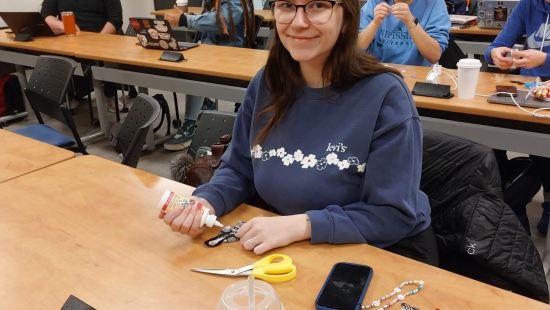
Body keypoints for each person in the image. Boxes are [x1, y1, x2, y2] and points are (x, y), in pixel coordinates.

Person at [159, 0, 439, 266]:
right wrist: (208, 200)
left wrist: (303, 224)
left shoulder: (385, 94)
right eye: (287, 6)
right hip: (294, 244)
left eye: (318, 5)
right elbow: (240, 167)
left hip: (385, 252)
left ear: (347, 19)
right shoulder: (267, 82)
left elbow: (392, 214)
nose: (299, 22)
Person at [485, 0, 550, 236]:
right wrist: (495, 54)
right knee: (490, 139)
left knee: (544, 151)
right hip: (528, 95)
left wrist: (544, 60)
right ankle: (509, 202)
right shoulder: (529, 5)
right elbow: (498, 44)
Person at [163, 0, 256, 151]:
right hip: (211, 53)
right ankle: (204, 102)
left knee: (195, 72)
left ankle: (190, 123)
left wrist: (185, 19)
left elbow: (220, 22)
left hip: (233, 58)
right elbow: (211, 17)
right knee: (191, 65)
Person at [41, 0, 126, 113]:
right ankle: (69, 97)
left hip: (102, 37)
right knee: (46, 56)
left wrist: (99, 40)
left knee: (104, 59)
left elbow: (115, 20)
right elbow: (46, 15)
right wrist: (63, 25)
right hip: (69, 39)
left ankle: (109, 94)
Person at [358, 0, 450, 66]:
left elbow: (434, 55)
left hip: (418, 77)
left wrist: (411, 21)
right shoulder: (375, 3)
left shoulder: (434, 3)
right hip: (380, 73)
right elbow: (356, 50)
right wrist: (375, 22)